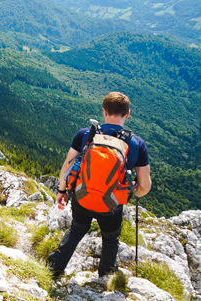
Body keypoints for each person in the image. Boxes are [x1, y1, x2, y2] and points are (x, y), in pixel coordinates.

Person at [47, 92, 151, 278]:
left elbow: (67, 167)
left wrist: (62, 191)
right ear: (127, 114)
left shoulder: (85, 135)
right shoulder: (136, 144)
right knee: (111, 238)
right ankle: (106, 275)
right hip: (111, 205)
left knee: (77, 229)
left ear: (103, 111)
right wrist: (134, 188)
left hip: (82, 197)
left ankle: (54, 267)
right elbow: (144, 187)